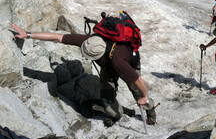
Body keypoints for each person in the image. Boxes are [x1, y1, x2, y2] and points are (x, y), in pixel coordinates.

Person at [9, 22, 156, 127]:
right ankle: (115, 115)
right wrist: (28, 34)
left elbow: (138, 80)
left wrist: (144, 96)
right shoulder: (89, 41)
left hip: (129, 63)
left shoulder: (119, 62)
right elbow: (57, 37)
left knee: (137, 92)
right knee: (106, 93)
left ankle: (150, 110)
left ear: (99, 55)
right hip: (107, 66)